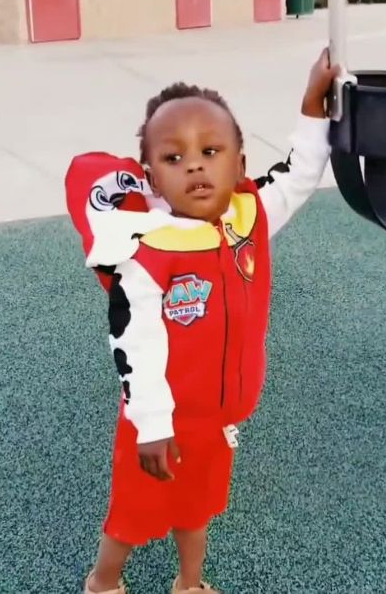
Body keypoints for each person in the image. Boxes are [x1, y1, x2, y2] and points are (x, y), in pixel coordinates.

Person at [64, 48, 340, 594]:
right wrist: (151, 423)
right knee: (134, 515)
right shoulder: (146, 249)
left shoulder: (249, 215)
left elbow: (302, 174)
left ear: (239, 165)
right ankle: (103, 581)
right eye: (173, 157)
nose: (194, 165)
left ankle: (189, 584)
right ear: (150, 180)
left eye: (210, 151)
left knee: (197, 507)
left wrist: (313, 105)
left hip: (217, 420)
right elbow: (133, 343)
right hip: (160, 421)